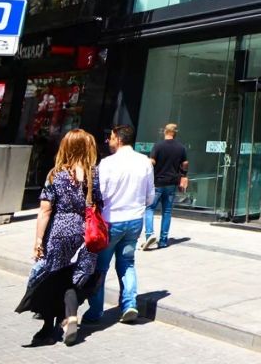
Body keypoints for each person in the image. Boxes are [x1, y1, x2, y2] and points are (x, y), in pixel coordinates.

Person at [15, 129, 102, 347]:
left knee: (53, 276)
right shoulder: (94, 175)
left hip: (59, 230)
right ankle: (71, 316)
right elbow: (98, 204)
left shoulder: (56, 174)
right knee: (71, 278)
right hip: (84, 232)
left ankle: (46, 329)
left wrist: (37, 241)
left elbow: (45, 210)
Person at [82, 125, 153, 326]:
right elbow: (150, 195)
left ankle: (95, 311)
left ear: (119, 139)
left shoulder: (107, 163)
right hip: (135, 220)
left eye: (111, 138)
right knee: (127, 263)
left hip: (111, 221)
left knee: (100, 267)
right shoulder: (145, 162)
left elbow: (99, 193)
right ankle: (129, 304)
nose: (109, 141)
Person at [143, 123, 188, 251]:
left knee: (150, 208)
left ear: (165, 132)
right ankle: (163, 240)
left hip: (158, 182)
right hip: (172, 183)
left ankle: (149, 235)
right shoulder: (181, 147)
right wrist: (183, 176)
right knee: (167, 211)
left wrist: (146, 164)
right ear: (175, 133)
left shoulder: (158, 146)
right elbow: (185, 163)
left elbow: (152, 161)